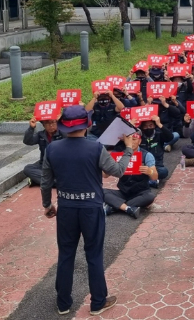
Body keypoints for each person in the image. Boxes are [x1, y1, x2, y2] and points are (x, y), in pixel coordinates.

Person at [41, 105, 140, 316]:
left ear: (63, 127)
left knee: (66, 254)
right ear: (86, 124)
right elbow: (118, 171)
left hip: (66, 208)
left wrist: (47, 205)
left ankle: (63, 303)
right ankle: (97, 302)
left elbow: (45, 182)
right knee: (94, 255)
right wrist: (129, 149)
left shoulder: (52, 149)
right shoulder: (95, 148)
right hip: (91, 209)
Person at [103, 135, 157, 219]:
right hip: (123, 191)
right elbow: (106, 175)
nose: (131, 142)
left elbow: (155, 177)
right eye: (129, 140)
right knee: (100, 191)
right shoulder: (120, 155)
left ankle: (116, 207)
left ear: (139, 141)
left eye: (134, 139)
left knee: (150, 197)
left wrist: (149, 171)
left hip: (141, 192)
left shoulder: (147, 155)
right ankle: (127, 208)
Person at [23, 117, 64, 187]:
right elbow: (28, 141)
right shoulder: (41, 135)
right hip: (44, 166)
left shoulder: (62, 134)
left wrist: (62, 120)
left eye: (53, 122)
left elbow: (70, 136)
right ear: (43, 125)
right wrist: (31, 128)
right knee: (28, 169)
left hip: (60, 167)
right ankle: (55, 182)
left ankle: (40, 181)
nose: (51, 125)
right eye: (47, 123)